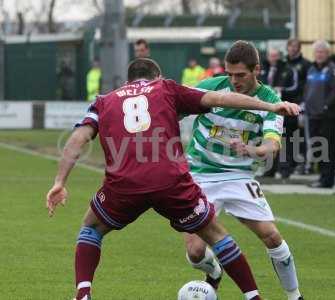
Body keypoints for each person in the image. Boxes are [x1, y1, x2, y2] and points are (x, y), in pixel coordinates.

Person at [46, 58, 300, 300]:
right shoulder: (166, 88)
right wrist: (270, 106)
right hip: (169, 181)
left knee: (91, 228)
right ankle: (253, 296)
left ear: (128, 80)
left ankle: (83, 293)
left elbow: (78, 139)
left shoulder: (103, 101)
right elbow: (221, 98)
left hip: (124, 184)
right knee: (216, 235)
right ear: (157, 76)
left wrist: (59, 182)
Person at [183, 41, 304, 300]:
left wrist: (253, 150)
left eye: (240, 75)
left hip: (239, 177)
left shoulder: (270, 100)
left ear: (256, 70)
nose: (234, 80)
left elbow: (272, 144)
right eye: (229, 74)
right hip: (200, 175)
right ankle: (214, 272)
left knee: (271, 236)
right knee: (195, 252)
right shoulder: (209, 88)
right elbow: (175, 108)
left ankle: (295, 296)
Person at [303, 40, 335, 188]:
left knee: (328, 148)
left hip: (328, 116)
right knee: (318, 147)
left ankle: (327, 180)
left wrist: (326, 107)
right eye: (317, 52)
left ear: (328, 53)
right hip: (313, 115)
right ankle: (322, 177)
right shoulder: (312, 70)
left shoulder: (334, 70)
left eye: (322, 52)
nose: (319, 54)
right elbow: (307, 91)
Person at [260, 47, 298, 178]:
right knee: (269, 139)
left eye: (275, 56)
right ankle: (270, 169)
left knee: (286, 141)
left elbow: (296, 87)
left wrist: (281, 90)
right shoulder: (262, 69)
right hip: (268, 110)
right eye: (271, 55)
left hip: (285, 109)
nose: (273, 58)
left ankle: (285, 170)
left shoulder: (288, 69)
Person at [285, 38, 312, 175]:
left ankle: (302, 164)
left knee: (300, 136)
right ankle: (287, 164)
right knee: (287, 137)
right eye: (291, 46)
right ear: (287, 47)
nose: (293, 49)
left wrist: (304, 104)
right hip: (284, 107)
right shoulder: (282, 64)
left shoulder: (307, 65)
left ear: (300, 48)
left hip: (300, 106)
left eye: (296, 46)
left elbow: (308, 87)